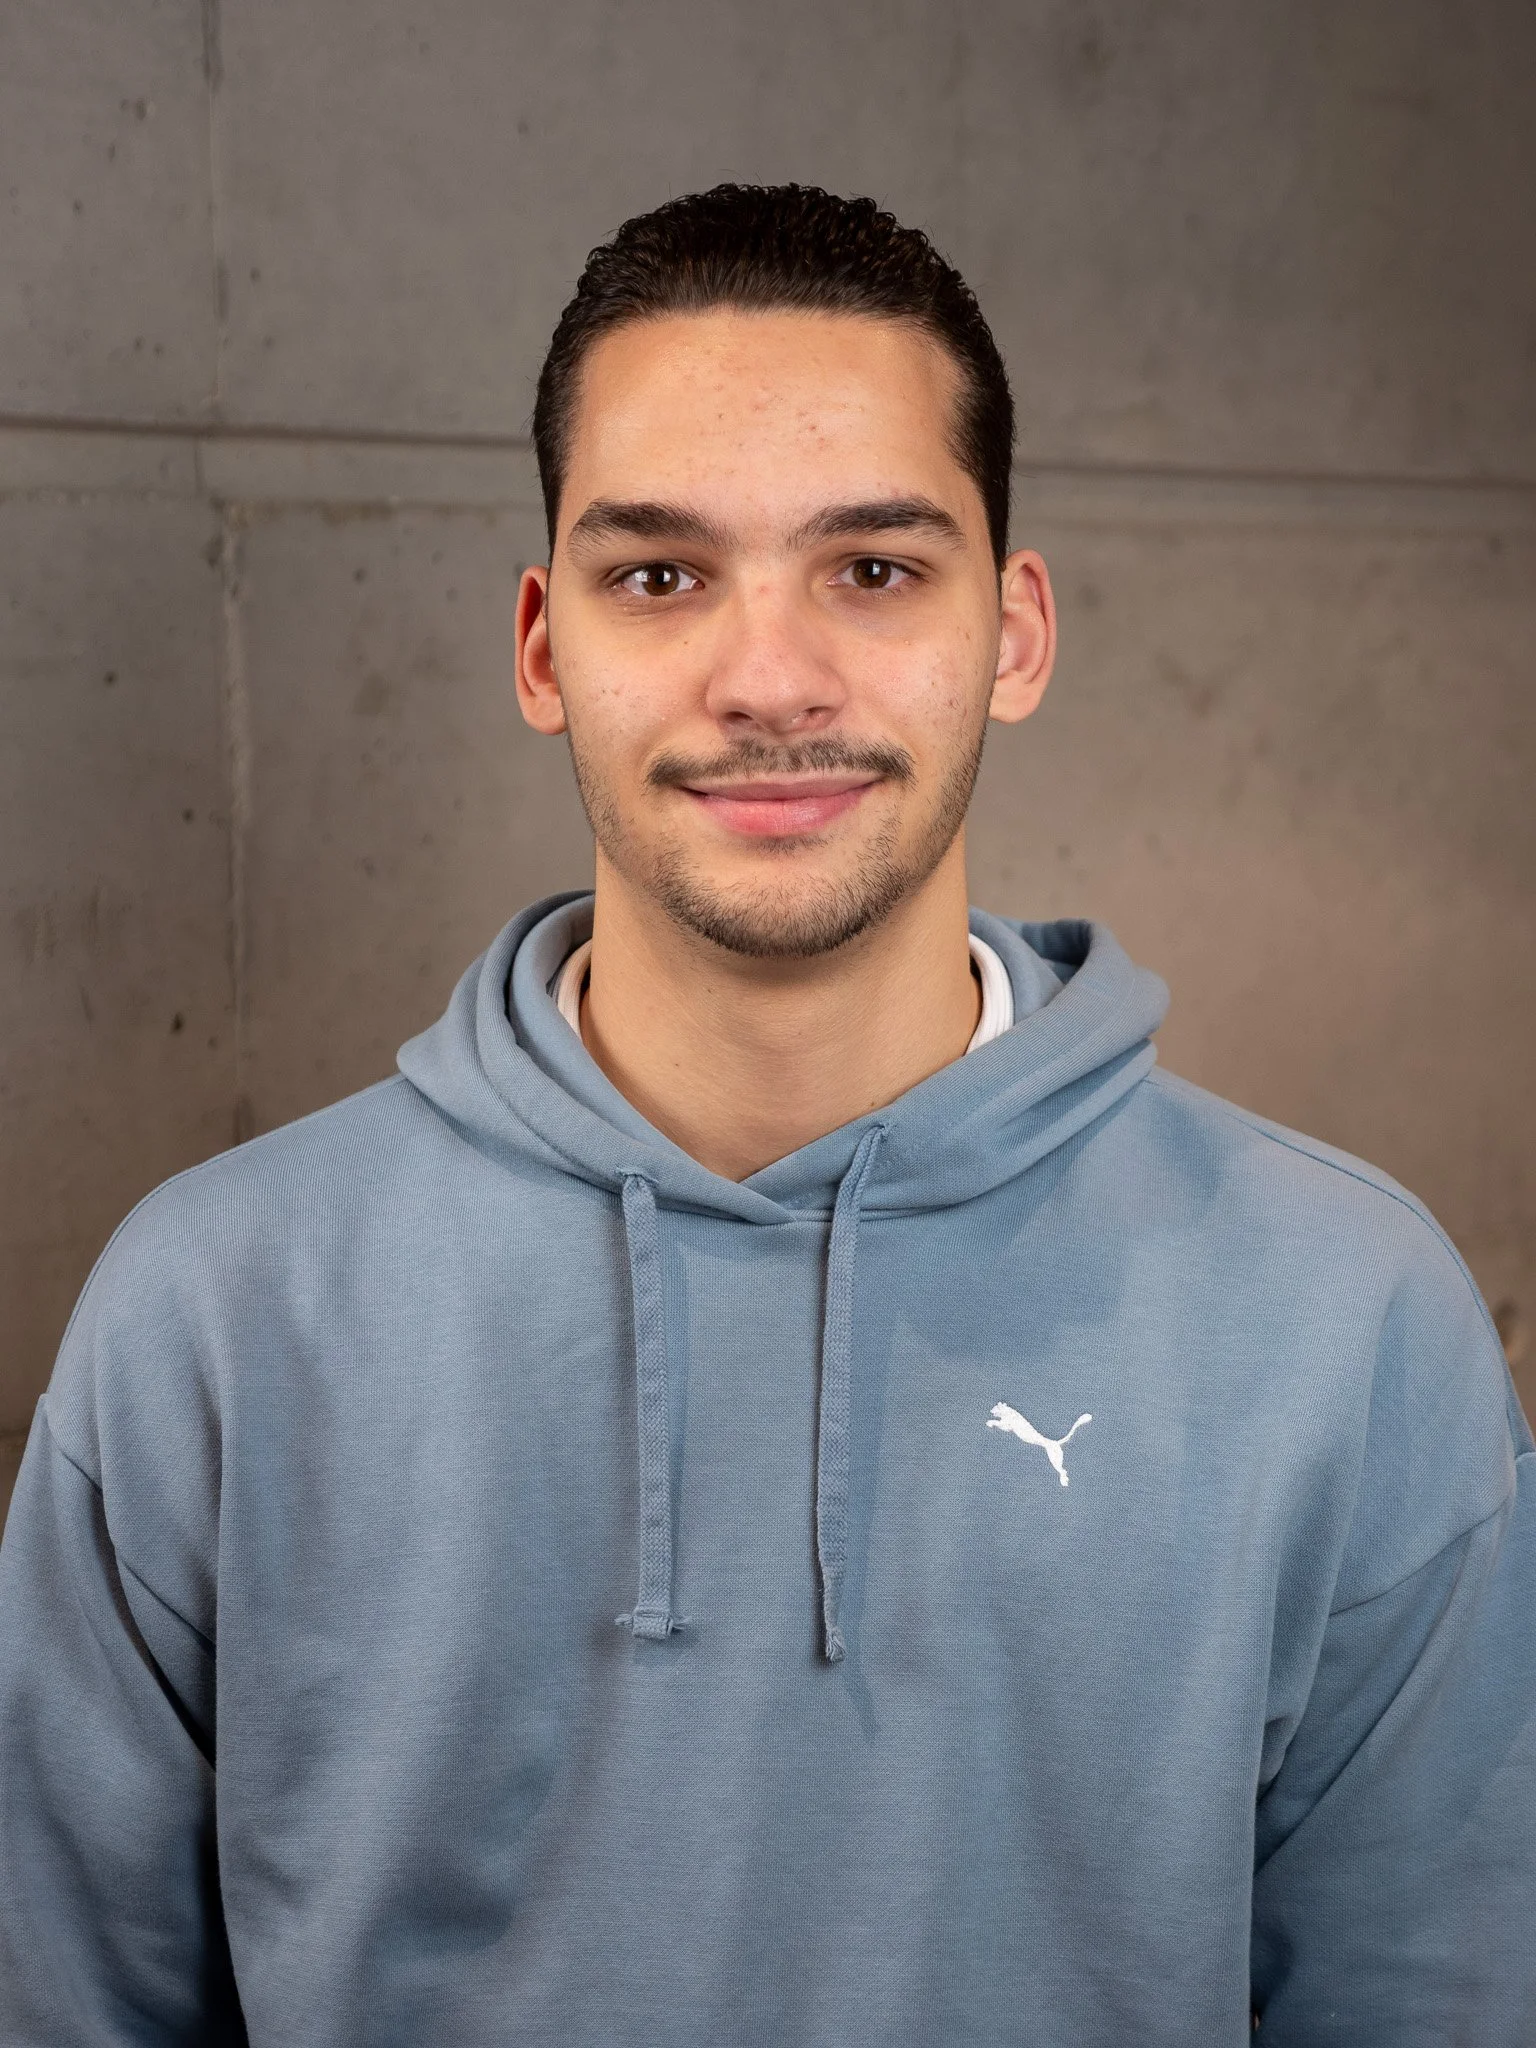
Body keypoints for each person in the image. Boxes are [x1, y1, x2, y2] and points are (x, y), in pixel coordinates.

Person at [0, 183, 1531, 2047]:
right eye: (662, 574)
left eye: (873, 569)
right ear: (546, 644)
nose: (771, 678)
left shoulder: (1347, 1318)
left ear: (1015, 635)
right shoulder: (213, 1314)